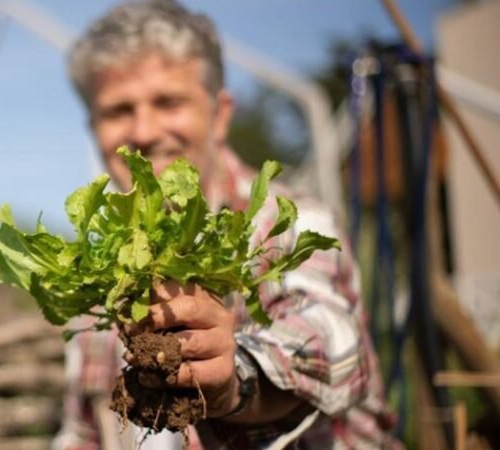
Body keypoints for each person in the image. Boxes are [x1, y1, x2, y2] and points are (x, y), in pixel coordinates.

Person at [53, 1, 400, 449]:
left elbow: (331, 342)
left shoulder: (284, 224)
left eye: (168, 102)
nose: (143, 130)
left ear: (219, 115)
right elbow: (82, 433)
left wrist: (235, 380)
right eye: (118, 111)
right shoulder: (102, 281)